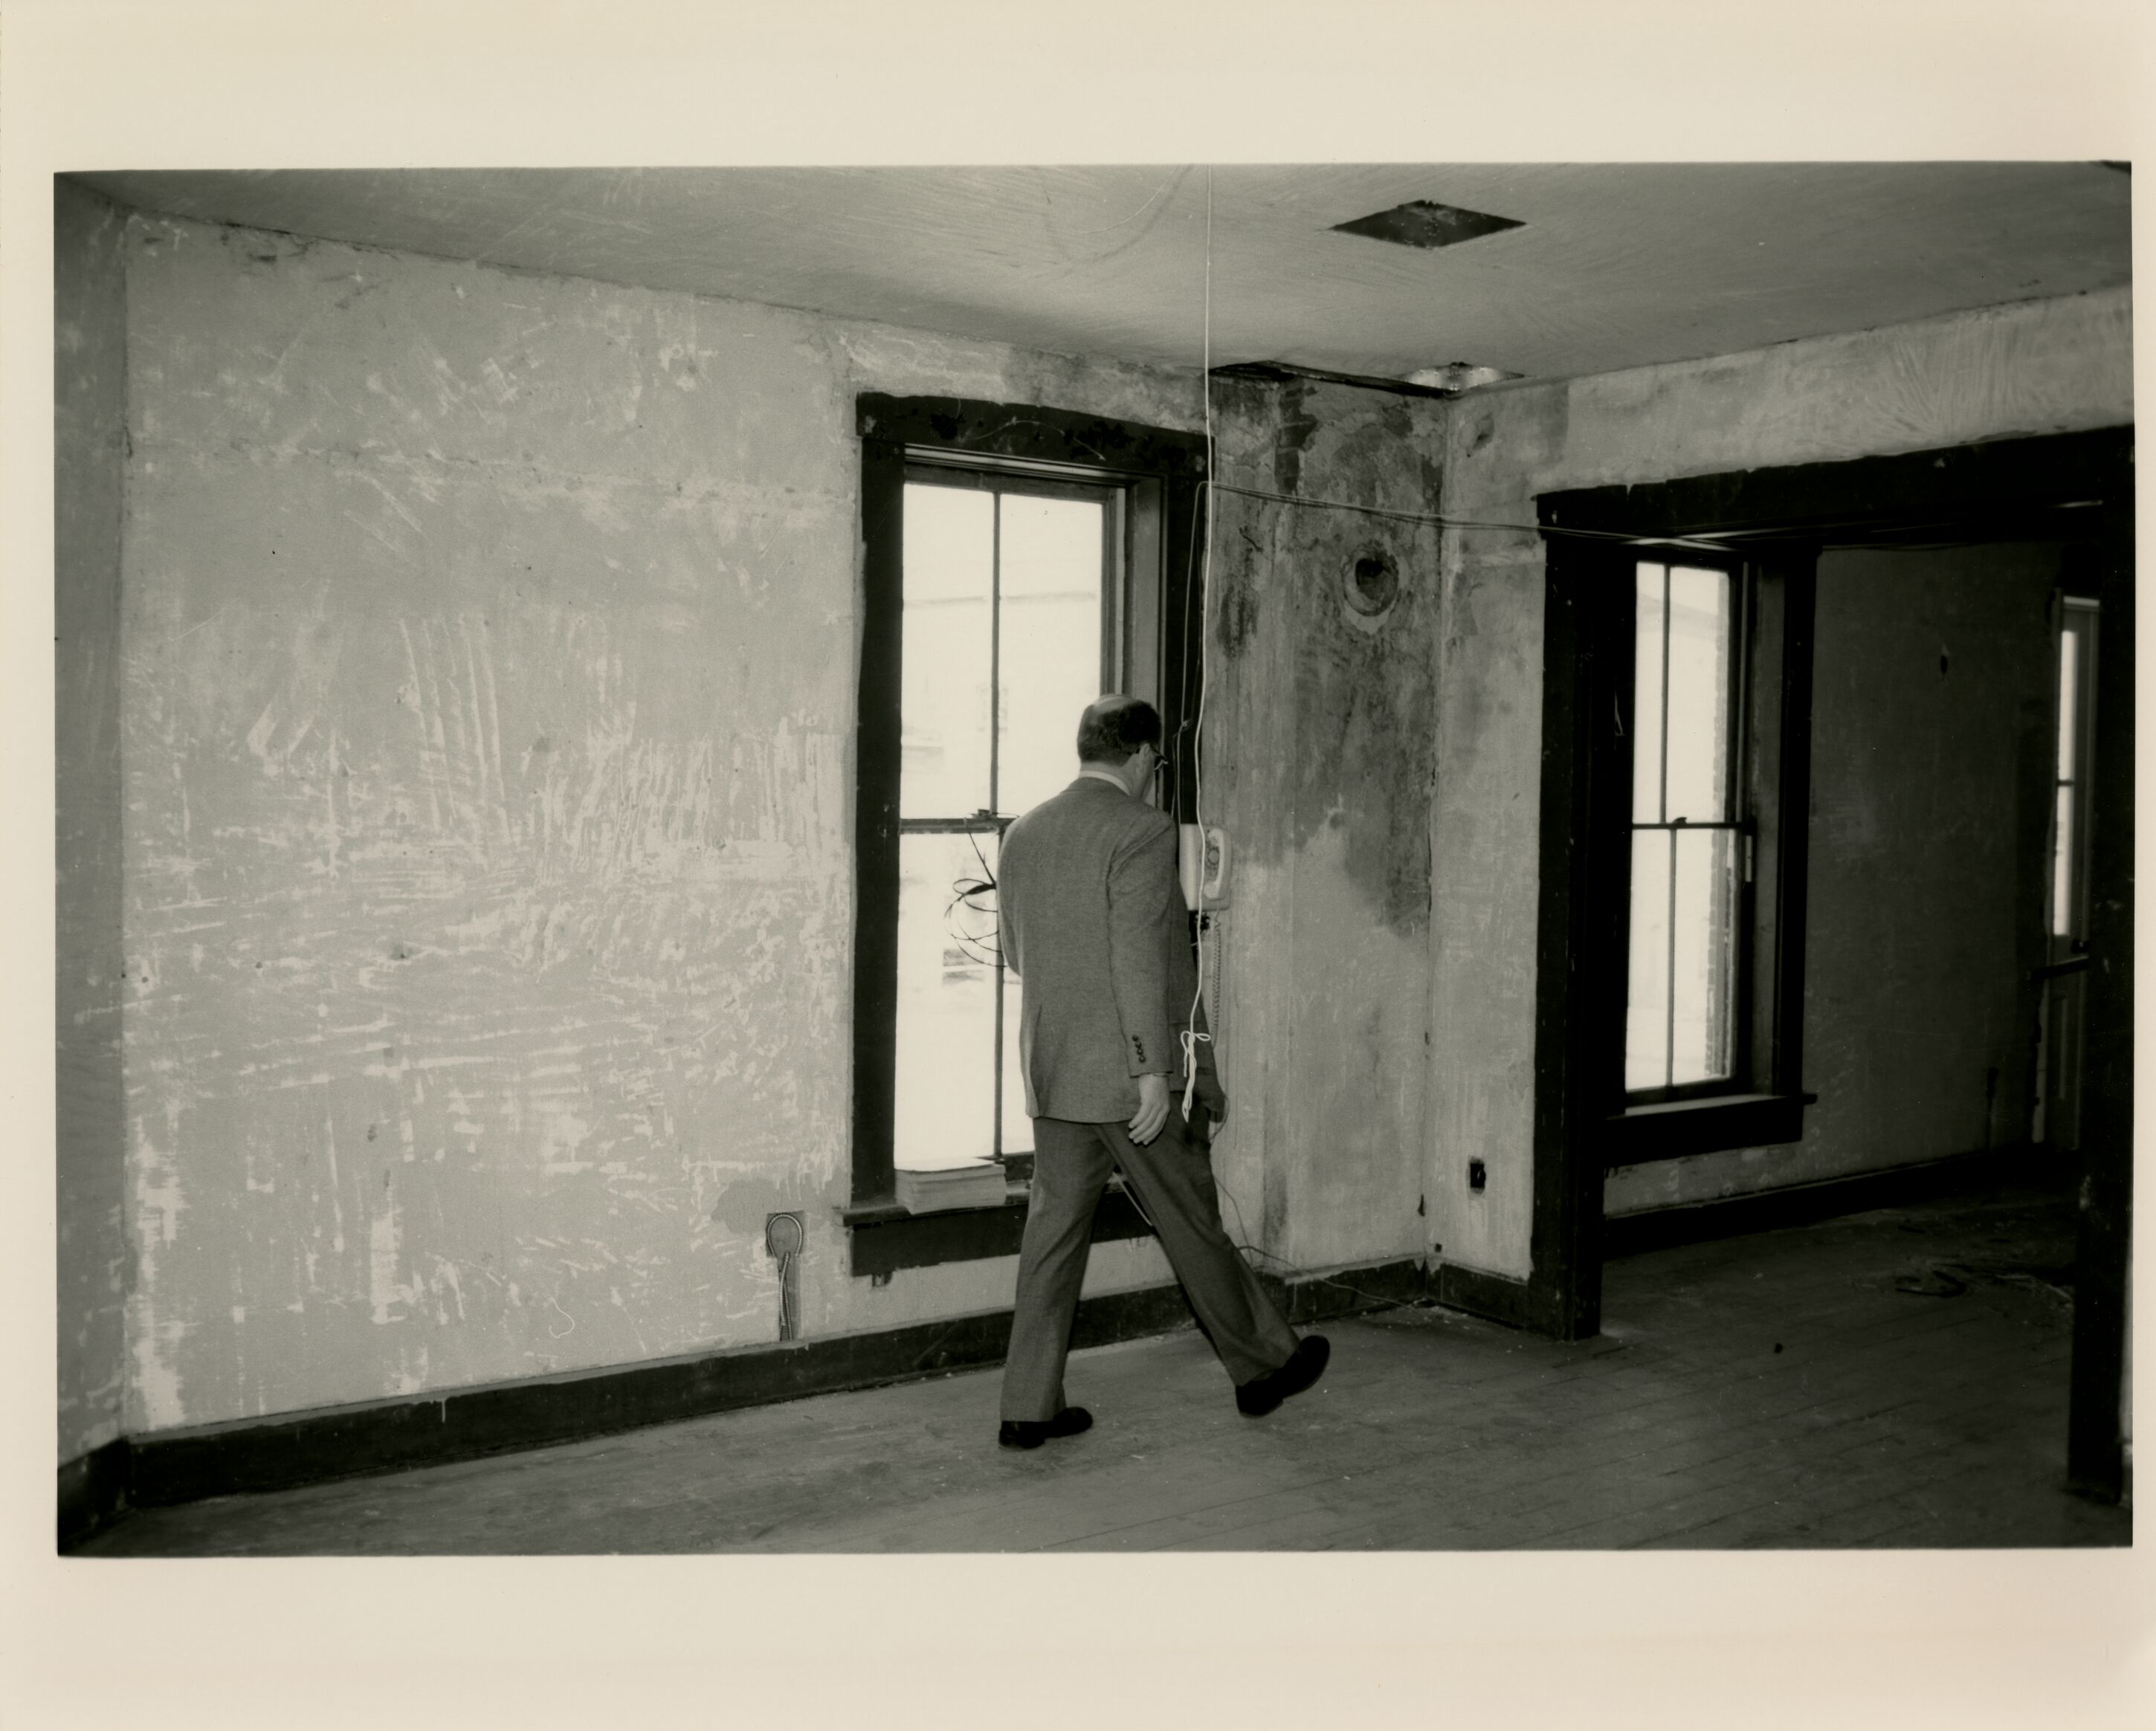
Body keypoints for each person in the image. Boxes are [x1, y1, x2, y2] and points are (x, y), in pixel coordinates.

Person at [993, 693, 1329, 1449]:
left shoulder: (1023, 832)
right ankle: (1261, 1367)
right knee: (1188, 1220)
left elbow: (1017, 954)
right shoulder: (1140, 832)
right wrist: (1150, 1073)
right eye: (1157, 762)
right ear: (1143, 756)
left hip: (1051, 1071)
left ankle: (1026, 1406)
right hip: (1124, 1079)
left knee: (1050, 1238)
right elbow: (1136, 962)